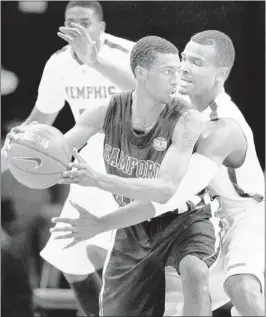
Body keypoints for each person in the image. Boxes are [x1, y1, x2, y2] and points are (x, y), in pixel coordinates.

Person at [50, 30, 265, 316]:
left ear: (220, 73)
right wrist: (95, 61)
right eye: (184, 58)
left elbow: (169, 193)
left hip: (240, 214)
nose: (185, 67)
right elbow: (142, 86)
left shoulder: (221, 127)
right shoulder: (180, 103)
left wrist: (101, 217)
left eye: (197, 62)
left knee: (239, 286)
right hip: (200, 206)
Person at [1, 1, 135, 316]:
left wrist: (95, 59)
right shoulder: (58, 64)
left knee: (132, 261)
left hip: (137, 160)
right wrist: (16, 144)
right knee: (71, 261)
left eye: (84, 22)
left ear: (101, 27)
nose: (75, 28)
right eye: (69, 21)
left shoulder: (126, 53)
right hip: (89, 163)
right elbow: (41, 118)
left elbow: (158, 97)